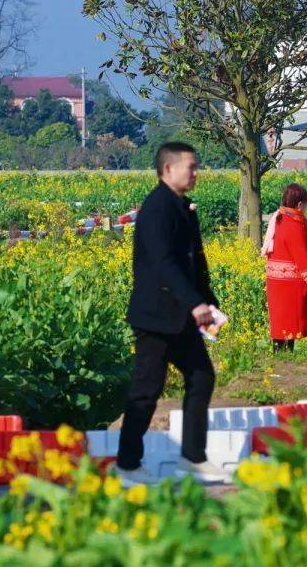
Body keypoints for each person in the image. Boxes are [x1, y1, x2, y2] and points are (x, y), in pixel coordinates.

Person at [116, 142, 220, 484]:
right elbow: (163, 263)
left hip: (179, 317)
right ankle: (128, 465)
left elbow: (193, 261)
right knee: (147, 389)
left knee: (201, 376)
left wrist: (208, 301)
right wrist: (194, 303)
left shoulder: (181, 207)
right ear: (167, 170)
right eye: (190, 166)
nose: (195, 172)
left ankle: (192, 456)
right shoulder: (158, 208)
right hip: (157, 316)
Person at [261, 184, 307, 352]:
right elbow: (302, 260)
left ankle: (279, 362)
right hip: (290, 284)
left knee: (281, 327)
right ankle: (285, 363)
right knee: (290, 326)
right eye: (306, 205)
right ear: (300, 204)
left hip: (276, 282)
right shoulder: (294, 225)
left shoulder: (279, 218)